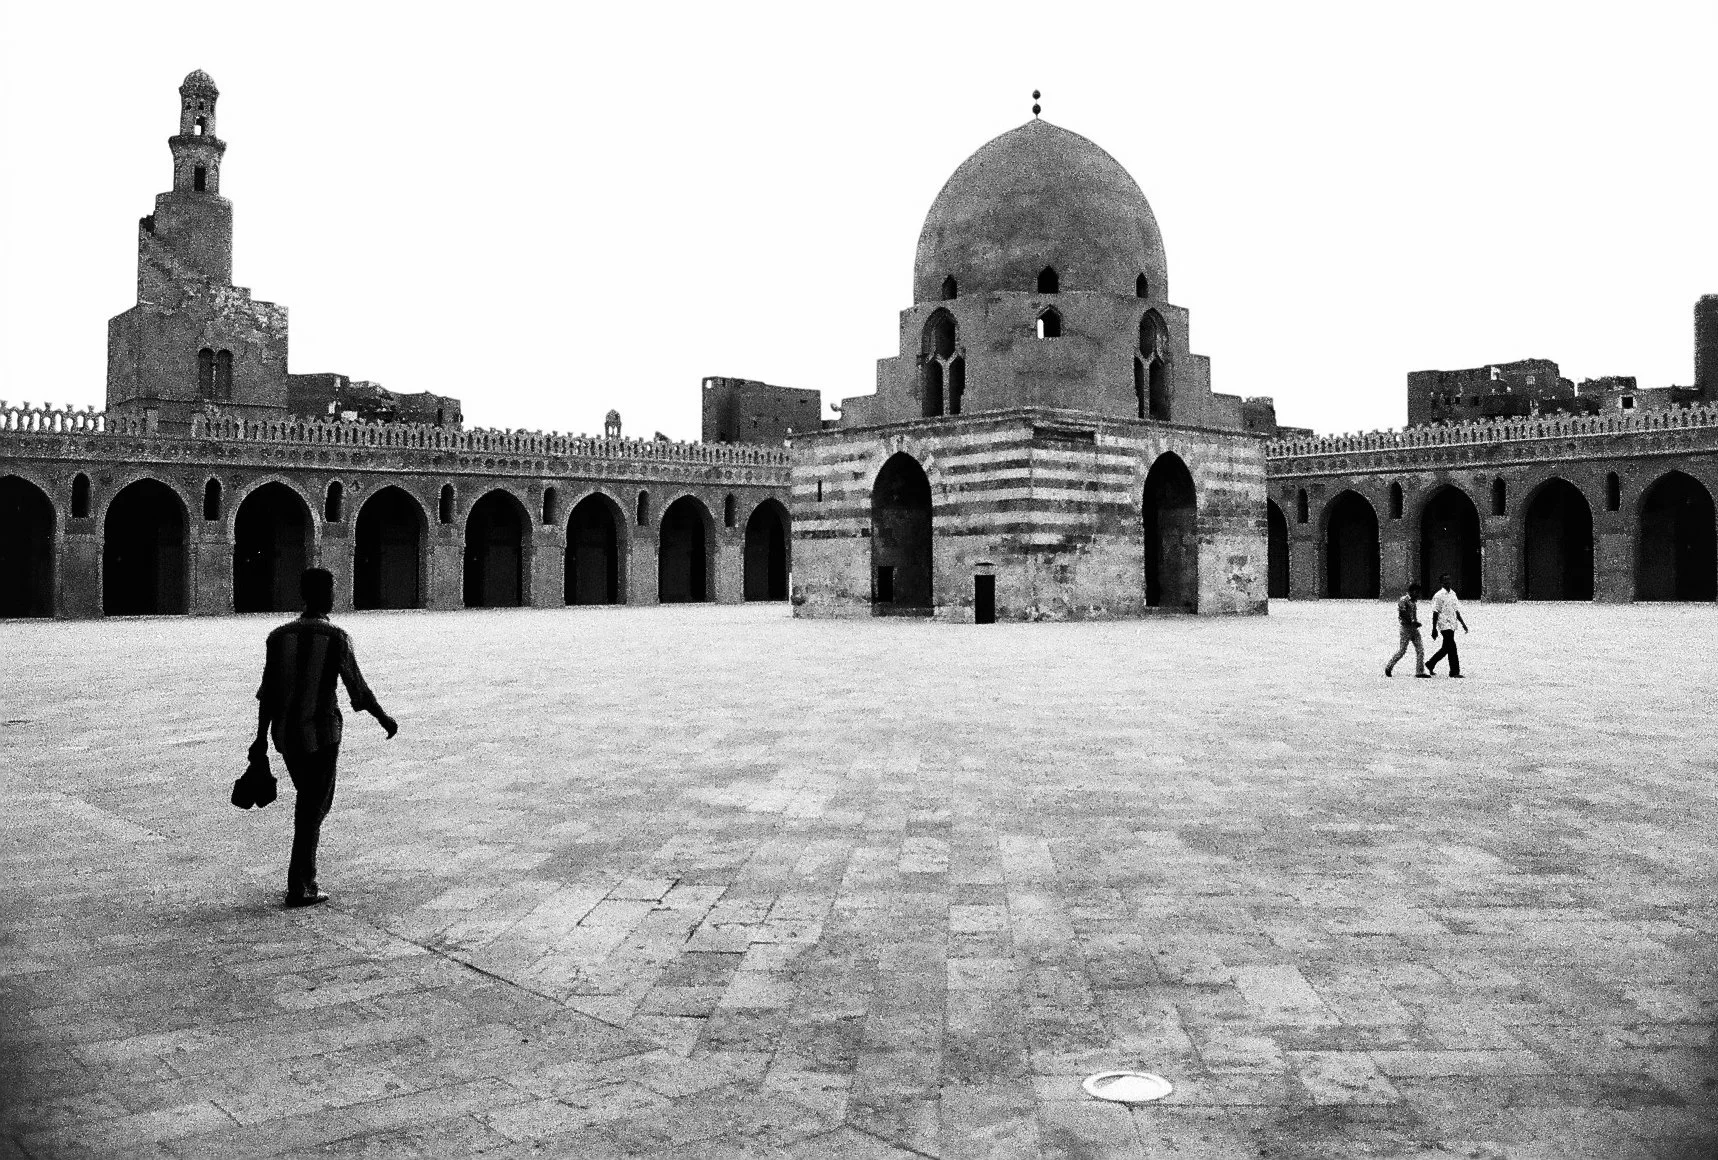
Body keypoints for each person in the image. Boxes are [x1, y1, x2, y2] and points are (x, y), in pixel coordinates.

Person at [252, 568, 397, 908]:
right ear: (324, 594)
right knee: (313, 807)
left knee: (309, 803)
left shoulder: (278, 636)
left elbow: (268, 693)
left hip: (285, 735)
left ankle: (302, 879)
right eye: (331, 589)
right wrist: (382, 717)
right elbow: (356, 688)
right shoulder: (335, 637)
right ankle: (301, 885)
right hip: (322, 734)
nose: (333, 594)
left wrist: (259, 740)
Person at [1426, 573, 1469, 678]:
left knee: (1446, 648)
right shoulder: (1438, 596)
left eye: (1449, 580)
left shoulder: (1453, 594)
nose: (1448, 582)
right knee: (1452, 647)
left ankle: (1430, 664)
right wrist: (1434, 629)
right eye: (1445, 580)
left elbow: (1456, 610)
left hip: (1452, 624)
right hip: (1444, 625)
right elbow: (1435, 612)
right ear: (1441, 582)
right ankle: (1454, 671)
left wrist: (1463, 623)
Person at [1384, 581, 1430, 678]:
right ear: (1412, 591)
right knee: (1402, 650)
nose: (1418, 594)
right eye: (1416, 592)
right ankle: (1389, 666)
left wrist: (1415, 623)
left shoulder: (1413, 601)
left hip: (1413, 629)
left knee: (1420, 649)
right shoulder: (1403, 600)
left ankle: (1419, 671)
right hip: (1406, 628)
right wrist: (1413, 622)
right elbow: (1402, 613)